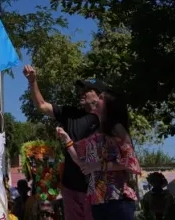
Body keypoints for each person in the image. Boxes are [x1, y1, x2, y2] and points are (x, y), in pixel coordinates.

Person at [23, 65, 103, 220]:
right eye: (81, 89)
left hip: (96, 188)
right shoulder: (70, 114)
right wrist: (32, 81)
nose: (81, 92)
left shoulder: (107, 121)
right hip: (70, 187)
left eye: (86, 90)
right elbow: (42, 105)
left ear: (99, 96)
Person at [55, 90, 141, 220]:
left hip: (117, 200)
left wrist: (99, 165)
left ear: (108, 105)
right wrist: (66, 139)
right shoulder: (93, 132)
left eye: (100, 97)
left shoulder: (116, 128)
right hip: (97, 203)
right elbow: (81, 163)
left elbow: (131, 162)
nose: (96, 99)